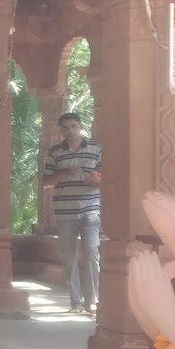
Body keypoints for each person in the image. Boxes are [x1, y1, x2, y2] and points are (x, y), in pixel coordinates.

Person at [42, 111, 102, 316]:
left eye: (73, 126)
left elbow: (105, 175)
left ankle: (92, 301)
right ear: (61, 130)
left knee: (92, 253)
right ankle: (76, 302)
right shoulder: (55, 153)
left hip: (91, 208)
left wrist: (96, 180)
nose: (70, 130)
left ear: (80, 126)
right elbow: (46, 182)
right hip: (65, 211)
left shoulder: (95, 149)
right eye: (65, 127)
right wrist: (64, 173)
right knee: (69, 258)